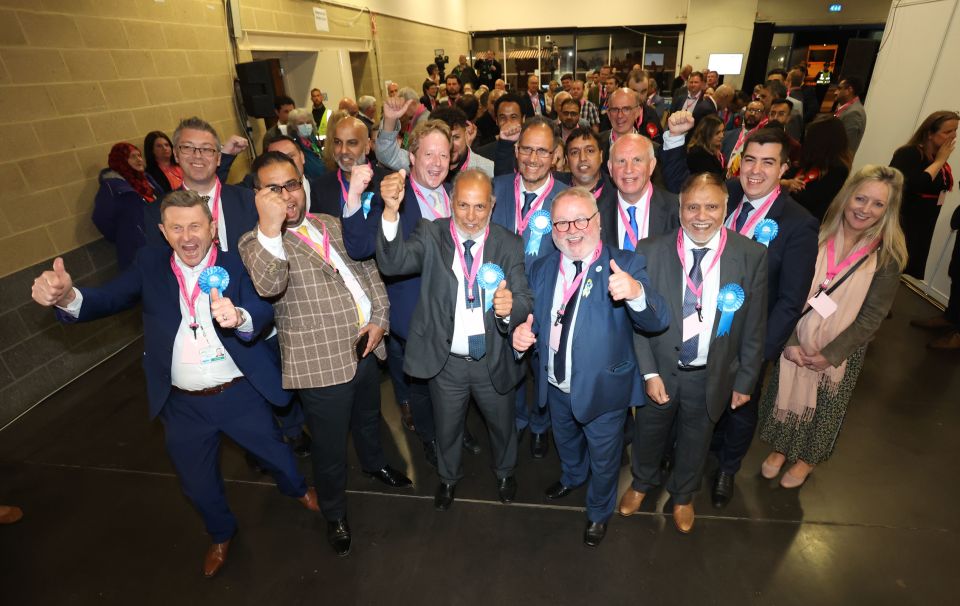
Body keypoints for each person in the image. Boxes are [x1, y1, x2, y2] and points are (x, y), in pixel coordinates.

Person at [33, 189, 319, 577]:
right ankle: (220, 533)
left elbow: (263, 307)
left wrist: (239, 316)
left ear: (212, 228)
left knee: (278, 455)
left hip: (240, 395)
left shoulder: (237, 262)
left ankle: (299, 489)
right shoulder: (149, 264)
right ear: (164, 233)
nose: (187, 237)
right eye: (177, 228)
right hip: (183, 406)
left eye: (195, 226)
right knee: (197, 484)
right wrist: (67, 295)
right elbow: (109, 298)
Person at [239, 152, 411, 557]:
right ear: (258, 196)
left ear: (304, 184)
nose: (287, 196)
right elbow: (269, 284)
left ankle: (374, 463)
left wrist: (380, 321)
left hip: (366, 347)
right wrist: (269, 224)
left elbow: (370, 272)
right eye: (273, 189)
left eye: (292, 184)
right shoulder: (257, 243)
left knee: (370, 419)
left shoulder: (331, 223)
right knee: (330, 449)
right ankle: (334, 513)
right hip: (320, 366)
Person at [659, 115, 819, 508]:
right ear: (739, 162)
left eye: (768, 162)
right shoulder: (722, 195)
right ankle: (686, 458)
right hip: (699, 326)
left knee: (738, 409)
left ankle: (727, 469)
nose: (756, 170)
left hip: (749, 339)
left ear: (784, 169)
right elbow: (680, 179)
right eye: (750, 160)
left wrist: (756, 354)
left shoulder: (798, 224)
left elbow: (790, 300)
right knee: (694, 400)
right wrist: (674, 138)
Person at [512, 188, 669, 546]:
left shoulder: (625, 264)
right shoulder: (542, 266)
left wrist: (636, 294)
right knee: (565, 441)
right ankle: (571, 476)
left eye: (581, 219)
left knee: (605, 458)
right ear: (552, 230)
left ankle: (599, 512)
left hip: (604, 391)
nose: (572, 229)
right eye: (562, 222)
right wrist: (520, 336)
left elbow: (658, 319)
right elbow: (533, 319)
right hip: (554, 384)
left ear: (597, 221)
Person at [375, 169, 533, 511]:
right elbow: (392, 263)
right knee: (447, 427)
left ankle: (505, 472)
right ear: (451, 203)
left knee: (502, 425)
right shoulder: (431, 234)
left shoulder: (509, 243)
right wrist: (389, 212)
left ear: (492, 205)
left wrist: (510, 309)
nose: (471, 216)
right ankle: (448, 478)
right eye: (463, 205)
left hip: (493, 359)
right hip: (446, 363)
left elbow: (523, 297)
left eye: (479, 207)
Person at [620, 172, 768, 533]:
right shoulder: (650, 250)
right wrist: (649, 373)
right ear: (680, 208)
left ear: (726, 207)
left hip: (710, 373)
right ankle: (641, 482)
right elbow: (637, 319)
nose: (702, 215)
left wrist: (746, 379)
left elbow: (754, 327)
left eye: (712, 206)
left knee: (697, 438)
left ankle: (684, 495)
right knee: (649, 433)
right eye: (693, 207)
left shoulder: (751, 255)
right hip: (661, 370)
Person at [758, 165, 908, 488]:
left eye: (877, 204)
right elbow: (791, 288)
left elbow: (872, 317)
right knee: (784, 395)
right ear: (847, 196)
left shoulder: (887, 256)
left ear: (888, 211)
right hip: (798, 334)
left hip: (842, 346)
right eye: (860, 198)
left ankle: (807, 460)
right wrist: (791, 339)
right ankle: (782, 449)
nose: (865, 209)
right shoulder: (817, 232)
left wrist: (831, 353)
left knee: (823, 410)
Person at [342, 119, 455, 466]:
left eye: (444, 154)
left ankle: (454, 432)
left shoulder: (456, 192)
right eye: (428, 154)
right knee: (420, 389)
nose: (436, 162)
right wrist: (356, 196)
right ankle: (431, 439)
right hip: (414, 315)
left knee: (453, 383)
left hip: (458, 313)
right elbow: (360, 246)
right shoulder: (392, 192)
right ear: (411, 156)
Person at [145, 117, 258, 254]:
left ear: (219, 158)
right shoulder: (157, 211)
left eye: (207, 149)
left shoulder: (248, 200)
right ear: (176, 155)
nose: (197, 155)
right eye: (187, 147)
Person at [889, 110, 958, 280]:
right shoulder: (909, 153)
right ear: (929, 134)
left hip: (921, 228)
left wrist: (939, 161)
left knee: (897, 274)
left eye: (955, 130)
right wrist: (940, 161)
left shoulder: (936, 159)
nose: (953, 136)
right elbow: (914, 185)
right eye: (947, 131)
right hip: (902, 225)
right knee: (888, 271)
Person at [600, 133, 680, 252]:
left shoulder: (676, 209)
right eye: (621, 161)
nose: (628, 170)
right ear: (610, 168)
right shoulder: (596, 211)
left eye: (637, 160)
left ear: (652, 165)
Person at [93, 142, 162, 269]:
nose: (139, 159)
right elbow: (101, 218)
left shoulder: (146, 179)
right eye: (133, 157)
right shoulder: (111, 187)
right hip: (138, 250)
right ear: (121, 160)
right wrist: (127, 235)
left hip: (161, 241)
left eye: (139, 155)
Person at [780, 117, 852, 222]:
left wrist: (786, 187)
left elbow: (808, 201)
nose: (806, 142)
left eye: (809, 137)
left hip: (803, 222)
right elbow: (777, 180)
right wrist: (786, 183)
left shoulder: (837, 170)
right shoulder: (808, 161)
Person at [685, 114, 726, 179]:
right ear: (707, 133)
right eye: (717, 133)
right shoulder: (698, 155)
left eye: (722, 131)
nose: (722, 136)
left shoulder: (711, 150)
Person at [834, 76, 867, 155]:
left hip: (837, 164)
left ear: (849, 90)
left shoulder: (854, 113)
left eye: (839, 88)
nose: (835, 92)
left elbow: (846, 147)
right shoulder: (845, 108)